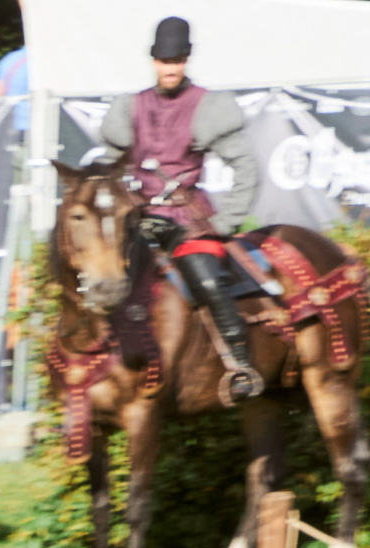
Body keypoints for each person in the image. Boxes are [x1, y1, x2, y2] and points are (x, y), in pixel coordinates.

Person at [98, 15, 263, 398]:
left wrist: (225, 221)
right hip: (139, 221)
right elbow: (107, 170)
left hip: (187, 222)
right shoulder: (129, 108)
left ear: (186, 60)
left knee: (206, 280)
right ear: (153, 61)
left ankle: (240, 366)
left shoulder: (207, 106)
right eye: (162, 61)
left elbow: (246, 167)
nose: (169, 68)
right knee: (101, 276)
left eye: (176, 61)